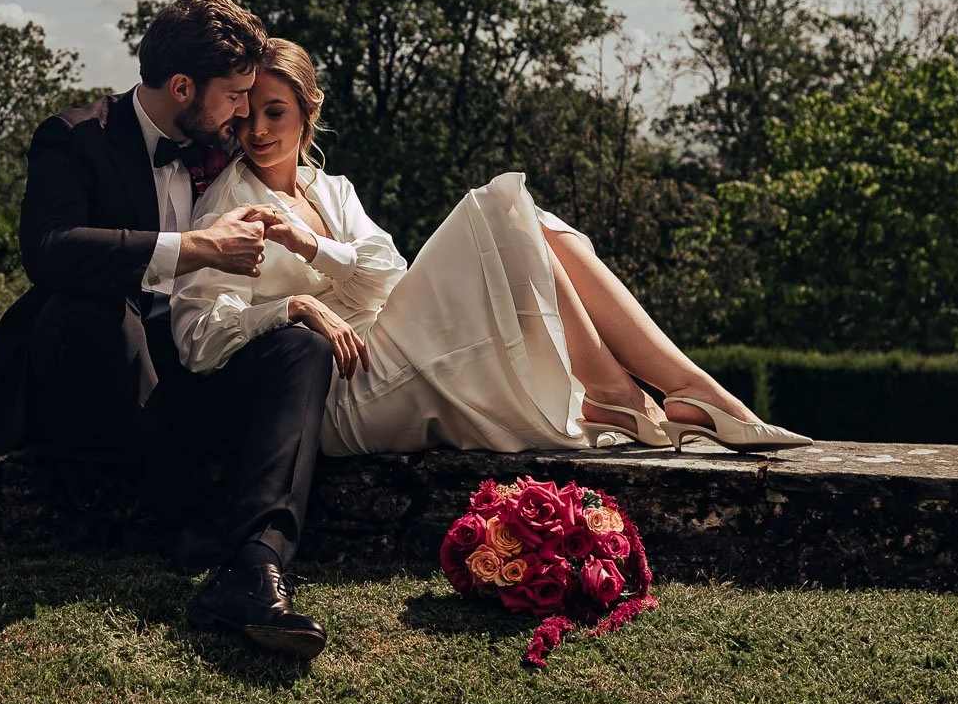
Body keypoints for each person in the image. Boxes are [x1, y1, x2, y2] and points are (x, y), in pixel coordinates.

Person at [172, 38, 811, 458]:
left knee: (539, 225)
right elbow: (197, 337)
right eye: (246, 114)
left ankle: (676, 390)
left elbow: (385, 278)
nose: (256, 130)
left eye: (275, 113)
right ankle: (648, 395)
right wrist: (295, 309)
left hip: (392, 342)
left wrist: (313, 247)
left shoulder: (331, 189)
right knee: (500, 209)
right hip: (339, 392)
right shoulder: (228, 204)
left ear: (307, 113)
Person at [0, 0, 336, 661]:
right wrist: (195, 248)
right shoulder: (75, 137)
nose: (242, 111)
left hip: (189, 366)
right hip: (92, 375)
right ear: (182, 87)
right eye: (233, 95)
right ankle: (185, 515)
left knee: (300, 350)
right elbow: (48, 249)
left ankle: (257, 564)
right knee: (96, 307)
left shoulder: (221, 152)